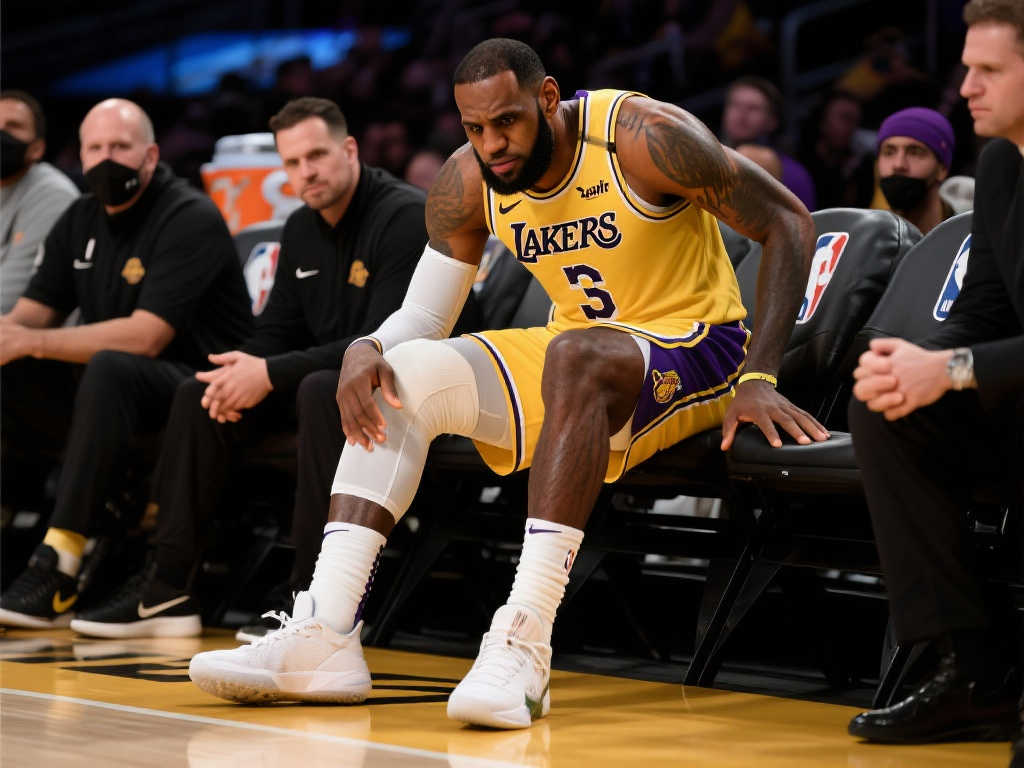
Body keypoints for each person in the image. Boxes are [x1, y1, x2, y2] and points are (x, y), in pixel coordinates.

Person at [188, 38, 827, 725]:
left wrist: (761, 374)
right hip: (579, 354)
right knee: (403, 373)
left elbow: (788, 221)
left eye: (507, 122)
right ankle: (327, 632)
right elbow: (426, 316)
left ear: (547, 98)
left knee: (574, 355)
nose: (492, 144)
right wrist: (367, 348)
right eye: (474, 128)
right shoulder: (467, 179)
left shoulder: (641, 138)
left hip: (699, 347)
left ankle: (524, 639)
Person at [67, 97, 434, 639]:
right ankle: (166, 590)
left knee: (319, 389)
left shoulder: (403, 216)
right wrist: (242, 368)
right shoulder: (301, 227)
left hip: (408, 387)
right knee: (201, 392)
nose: (306, 172)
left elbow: (383, 343)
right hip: (326, 385)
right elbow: (277, 330)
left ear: (350, 150)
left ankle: (312, 598)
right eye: (292, 162)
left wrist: (268, 373)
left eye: (317, 156)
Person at [0, 98, 252, 629]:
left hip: (201, 386)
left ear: (151, 155)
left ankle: (58, 563)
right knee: (17, 368)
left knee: (110, 365)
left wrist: (28, 341)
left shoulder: (188, 216)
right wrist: (10, 339)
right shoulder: (79, 217)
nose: (107, 159)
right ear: (81, 156)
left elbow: (146, 337)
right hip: (112, 392)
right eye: (95, 148)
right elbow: (28, 318)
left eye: (120, 146)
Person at [846, 0, 1024, 747]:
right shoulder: (1002, 162)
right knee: (888, 407)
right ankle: (970, 671)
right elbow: (984, 307)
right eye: (966, 67)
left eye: (989, 70)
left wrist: (949, 367)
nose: (966, 86)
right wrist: (912, 364)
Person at [0, 90, 79, 314]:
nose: (1, 133)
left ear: (37, 148)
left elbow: (10, 296)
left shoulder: (54, 194)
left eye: (13, 126)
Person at [720, 76, 816, 211]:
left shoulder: (794, 174)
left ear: (773, 121)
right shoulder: (710, 160)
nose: (742, 114)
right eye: (735, 105)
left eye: (753, 108)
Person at [875, 107, 956, 235]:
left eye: (915, 153)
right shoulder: (866, 238)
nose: (899, 164)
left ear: (942, 169)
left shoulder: (967, 237)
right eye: (889, 152)